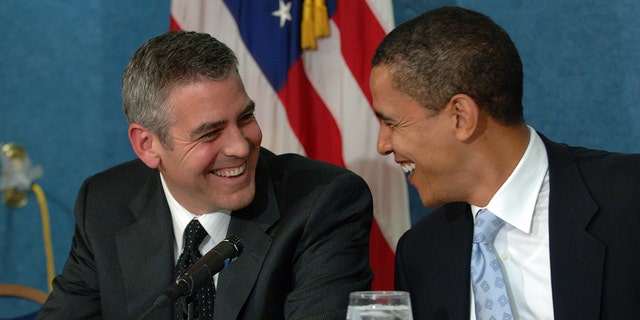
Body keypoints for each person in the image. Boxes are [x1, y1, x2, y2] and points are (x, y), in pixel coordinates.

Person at [37, 30, 374, 320]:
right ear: (147, 145)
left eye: (245, 118)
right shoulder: (105, 203)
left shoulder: (321, 203)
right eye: (210, 133)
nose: (240, 147)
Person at [370, 6, 640, 320]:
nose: (382, 145)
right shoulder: (420, 253)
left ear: (461, 116)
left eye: (392, 123)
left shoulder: (629, 201)